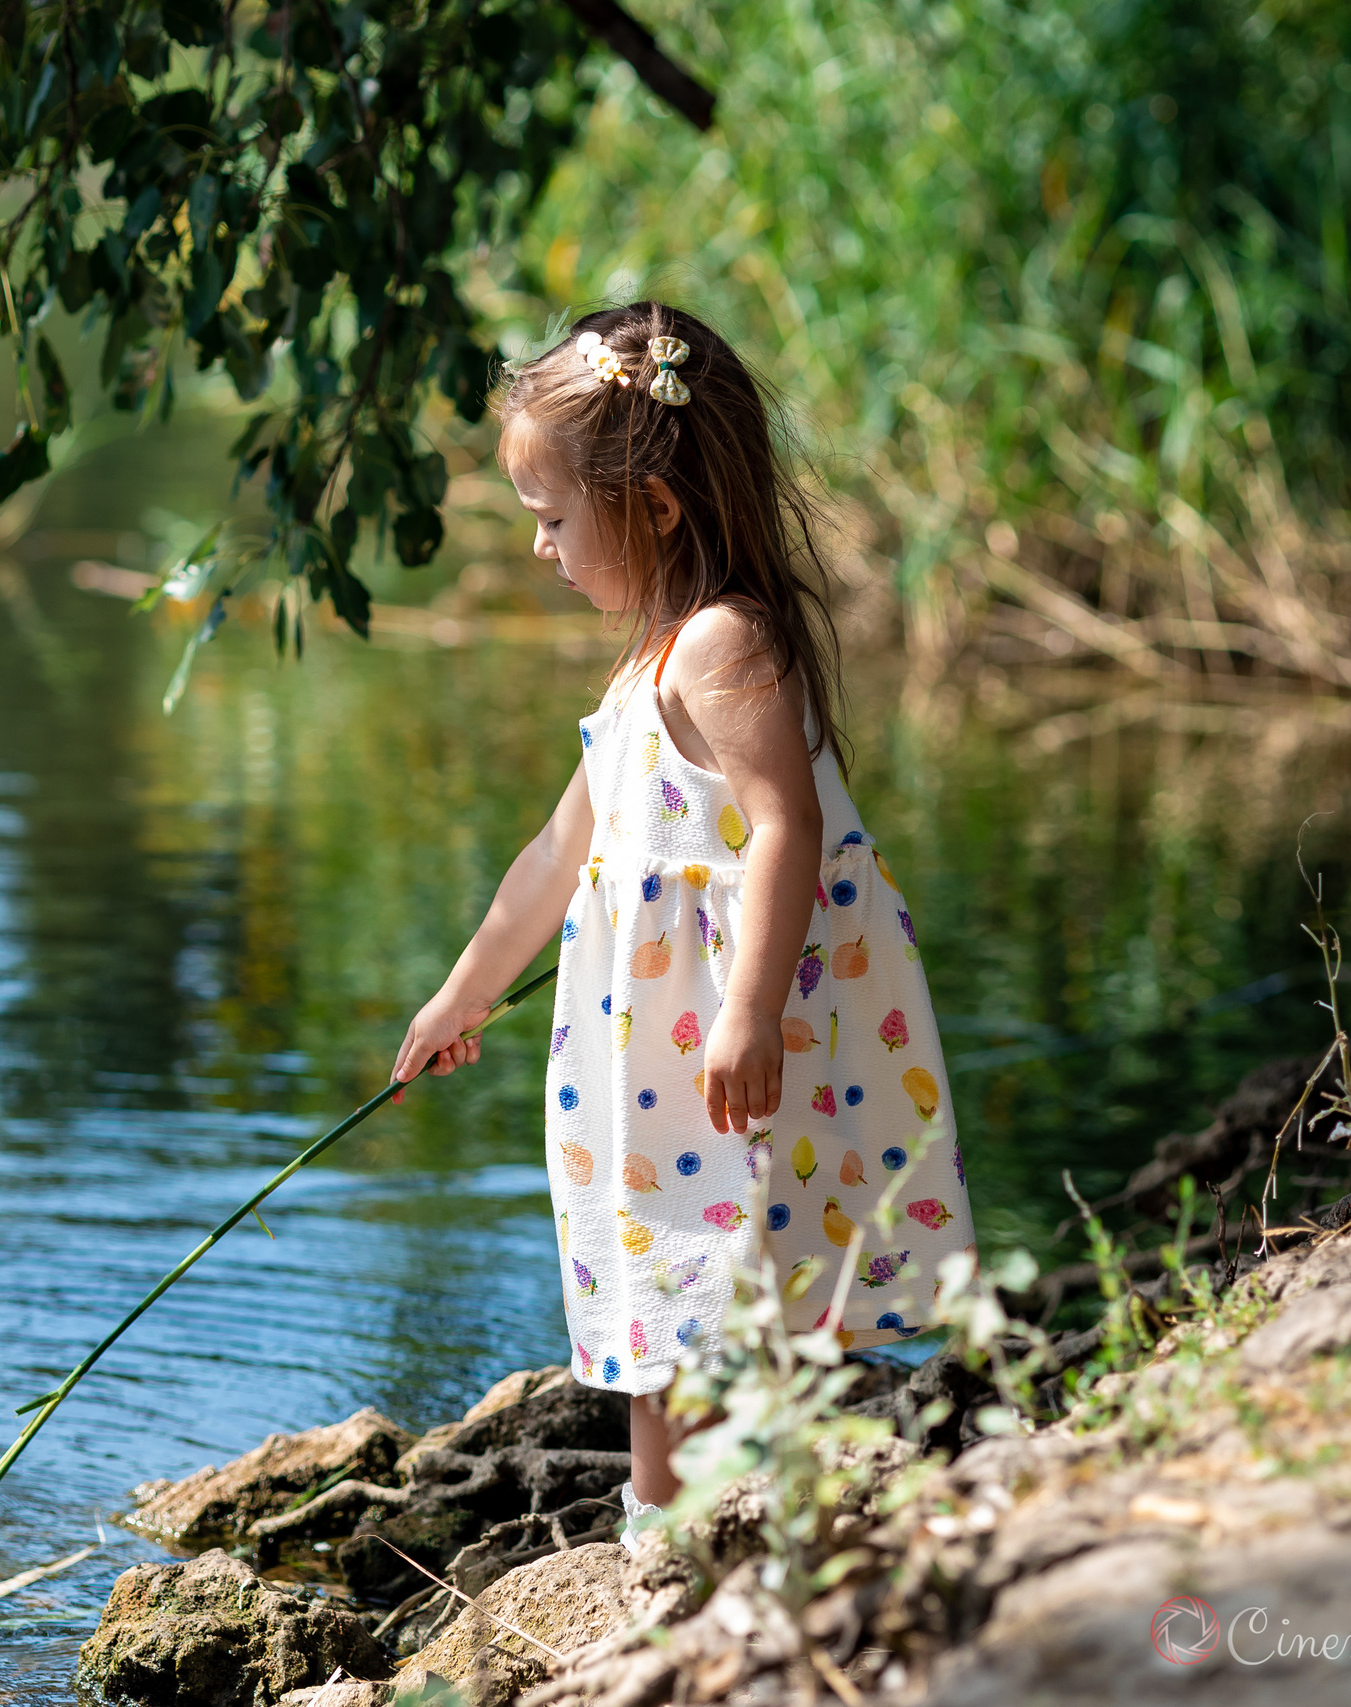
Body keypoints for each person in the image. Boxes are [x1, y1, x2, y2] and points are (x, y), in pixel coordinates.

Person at [393, 304, 977, 1512]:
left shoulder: (722, 645)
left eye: (555, 521)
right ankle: (664, 1536)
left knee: (722, 1287)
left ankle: (731, 1528)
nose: (543, 550)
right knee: (669, 1295)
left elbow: (784, 827)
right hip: (653, 1056)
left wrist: (749, 1013)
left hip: (723, 1035)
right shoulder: (646, 662)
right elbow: (556, 855)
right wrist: (462, 994)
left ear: (653, 507)